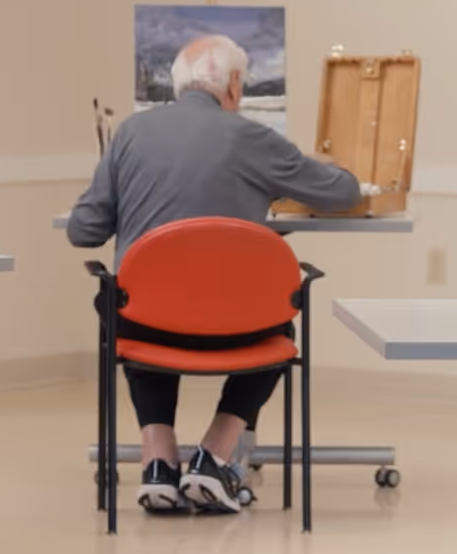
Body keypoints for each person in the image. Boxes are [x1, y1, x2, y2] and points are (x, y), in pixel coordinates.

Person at [68, 34, 365, 516]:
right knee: (283, 312)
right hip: (238, 332)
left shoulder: (129, 134)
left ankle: (159, 463)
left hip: (147, 328)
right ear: (231, 84)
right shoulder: (253, 138)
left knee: (126, 295)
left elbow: (84, 231)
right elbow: (344, 192)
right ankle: (214, 455)